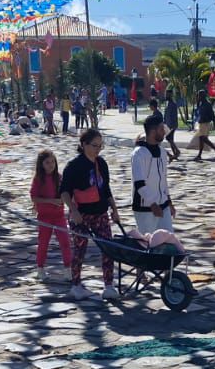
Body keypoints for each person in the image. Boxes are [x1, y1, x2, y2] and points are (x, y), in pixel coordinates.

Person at [61, 128, 124, 301]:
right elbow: (64, 191)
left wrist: (114, 210)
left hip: (100, 213)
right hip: (81, 215)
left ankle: (109, 285)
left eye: (100, 146)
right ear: (84, 145)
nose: (98, 149)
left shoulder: (101, 164)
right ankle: (76, 285)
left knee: (108, 248)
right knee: (79, 249)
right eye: (95, 145)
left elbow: (106, 189)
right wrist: (73, 210)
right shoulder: (74, 166)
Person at [30, 149, 71, 280]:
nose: (51, 165)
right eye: (47, 162)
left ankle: (68, 269)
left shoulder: (59, 177)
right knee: (43, 243)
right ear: (41, 164)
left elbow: (66, 193)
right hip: (44, 217)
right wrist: (50, 201)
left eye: (53, 162)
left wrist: (64, 200)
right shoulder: (38, 179)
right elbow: (34, 197)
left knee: (65, 242)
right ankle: (40, 268)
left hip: (59, 216)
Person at [131, 114, 175, 234]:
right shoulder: (139, 154)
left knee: (169, 239)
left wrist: (169, 202)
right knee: (148, 241)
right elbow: (139, 184)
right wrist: (153, 204)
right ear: (152, 131)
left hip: (163, 205)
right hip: (145, 208)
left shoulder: (162, 152)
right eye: (161, 129)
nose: (164, 132)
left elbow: (163, 180)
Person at [192, 92, 215, 161]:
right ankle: (199, 155)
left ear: (203, 96)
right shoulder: (201, 104)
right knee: (201, 139)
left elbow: (212, 114)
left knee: (203, 138)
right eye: (198, 96)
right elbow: (198, 113)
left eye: (199, 96)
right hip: (200, 123)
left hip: (205, 123)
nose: (198, 97)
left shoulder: (207, 104)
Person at [163, 96, 183, 160]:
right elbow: (166, 115)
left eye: (167, 95)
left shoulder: (173, 104)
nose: (166, 96)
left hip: (171, 125)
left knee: (168, 138)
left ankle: (177, 151)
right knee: (170, 139)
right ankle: (175, 154)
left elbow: (174, 116)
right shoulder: (167, 103)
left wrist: (171, 126)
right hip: (168, 125)